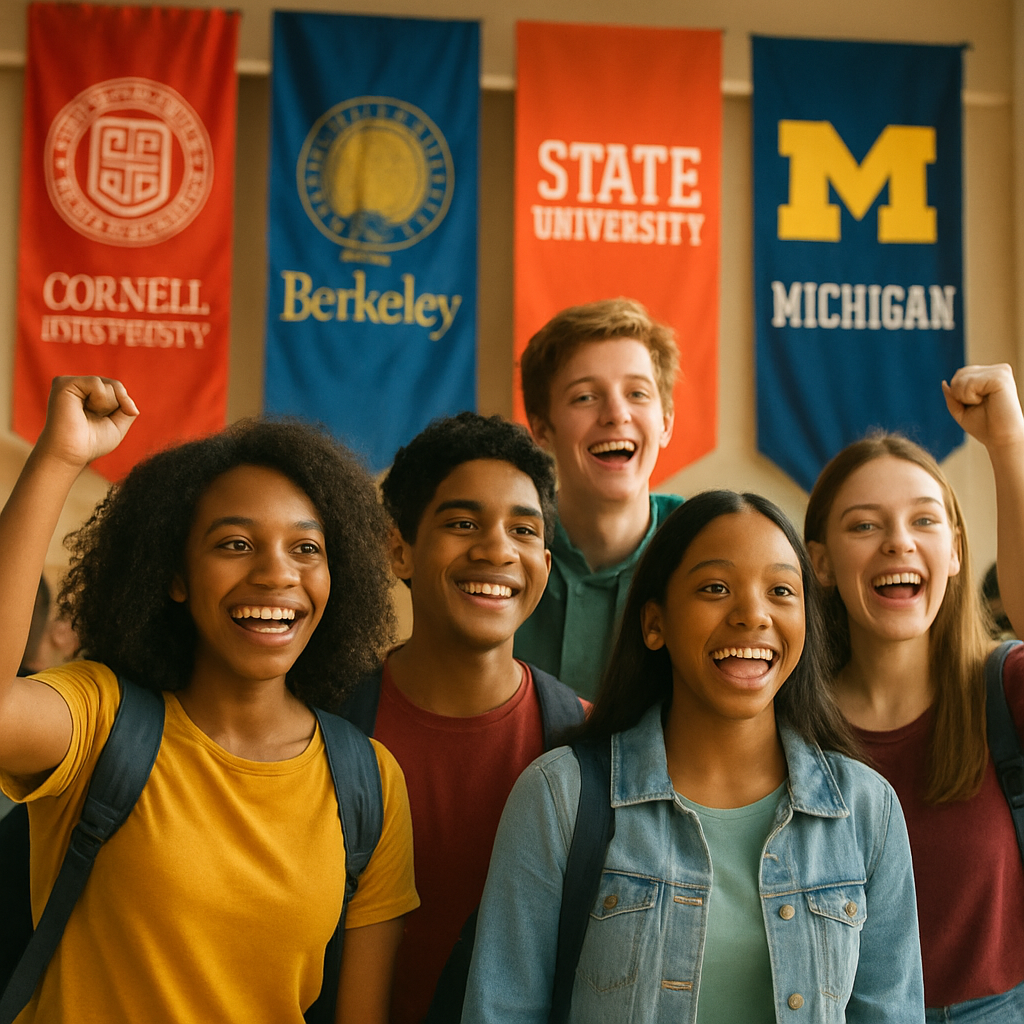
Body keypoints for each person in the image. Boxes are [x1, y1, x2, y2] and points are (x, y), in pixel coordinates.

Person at [0, 376, 418, 1024]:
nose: (277, 573)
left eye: (306, 548)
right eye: (235, 544)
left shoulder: (369, 783)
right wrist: (57, 459)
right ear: (175, 577)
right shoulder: (101, 717)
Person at [464, 491, 923, 1023]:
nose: (753, 615)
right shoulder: (559, 796)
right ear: (654, 623)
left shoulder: (866, 809)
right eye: (715, 588)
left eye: (780, 591)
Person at [340, 412, 586, 1024]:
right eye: (462, 523)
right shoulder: (320, 728)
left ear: (545, 564)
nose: (497, 549)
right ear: (399, 549)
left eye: (523, 530)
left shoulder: (590, 742)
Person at [804, 362, 1024, 1021]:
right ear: (821, 562)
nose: (898, 542)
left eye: (924, 522)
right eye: (864, 526)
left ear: (954, 552)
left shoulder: (1005, 689)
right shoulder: (790, 723)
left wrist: (1008, 444)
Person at [514, 298, 683, 700]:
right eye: (585, 397)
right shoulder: (504, 549)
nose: (615, 414)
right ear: (541, 428)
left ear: (665, 422)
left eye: (637, 393)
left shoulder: (703, 549)